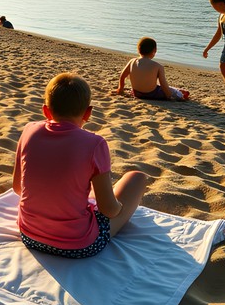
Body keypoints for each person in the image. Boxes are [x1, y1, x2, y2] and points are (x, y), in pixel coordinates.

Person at [13, 72, 148, 258]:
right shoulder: (94, 144)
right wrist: (119, 207)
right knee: (137, 178)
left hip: (29, 234)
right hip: (78, 245)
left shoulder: (29, 130)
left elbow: (18, 188)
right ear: (88, 113)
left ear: (45, 111)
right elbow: (108, 209)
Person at [114, 37, 189, 100]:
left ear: (138, 49)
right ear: (154, 50)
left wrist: (120, 89)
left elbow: (122, 76)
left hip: (137, 93)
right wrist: (169, 97)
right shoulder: (158, 66)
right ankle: (180, 93)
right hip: (153, 94)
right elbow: (163, 84)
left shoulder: (132, 61)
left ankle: (178, 90)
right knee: (172, 91)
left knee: (164, 88)